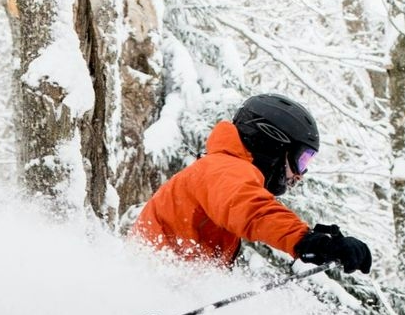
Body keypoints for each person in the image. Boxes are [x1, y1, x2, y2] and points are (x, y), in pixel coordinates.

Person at [131, 93, 372, 273]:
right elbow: (252, 210)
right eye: (301, 159)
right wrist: (308, 241)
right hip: (155, 290)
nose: (299, 175)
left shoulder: (222, 167)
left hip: (164, 287)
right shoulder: (223, 169)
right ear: (272, 143)